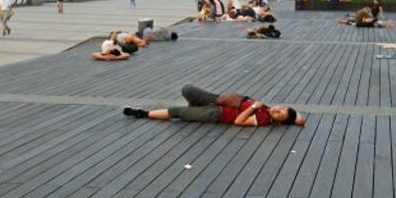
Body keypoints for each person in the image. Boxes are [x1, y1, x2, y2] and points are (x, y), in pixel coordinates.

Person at [122, 84, 303, 126]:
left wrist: (254, 107)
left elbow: (239, 121)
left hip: (217, 113)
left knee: (177, 112)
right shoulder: (266, 107)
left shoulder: (263, 118)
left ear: (278, 121)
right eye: (282, 108)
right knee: (188, 90)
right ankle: (193, 107)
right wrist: (297, 119)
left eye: (280, 115)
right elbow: (298, 119)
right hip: (217, 99)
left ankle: (143, 113)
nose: (278, 110)